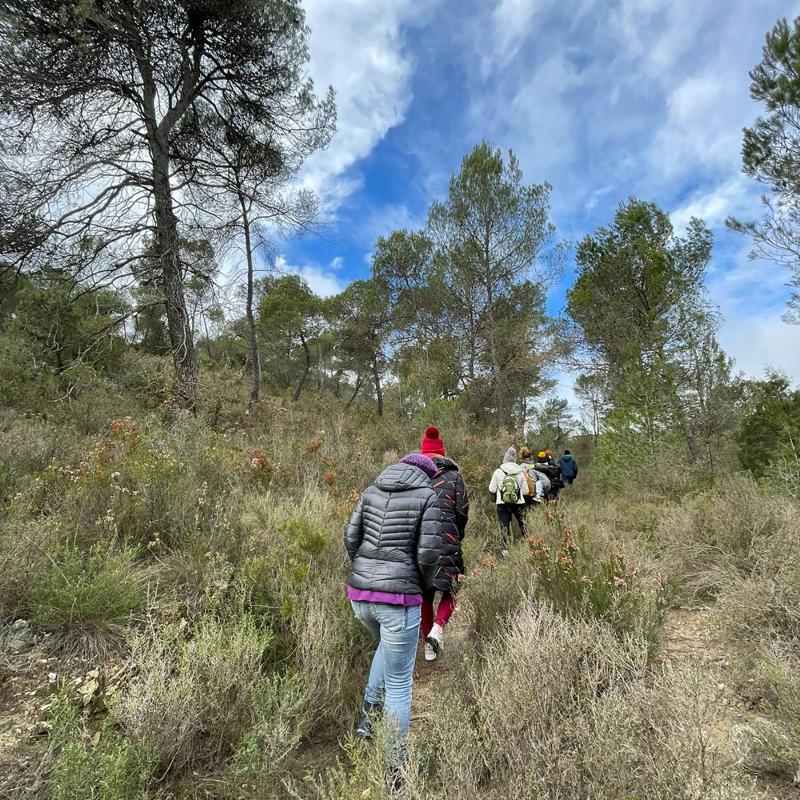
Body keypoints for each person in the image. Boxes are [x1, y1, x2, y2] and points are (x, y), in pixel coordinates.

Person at [344, 452, 445, 783]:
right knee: (401, 682)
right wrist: (421, 584)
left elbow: (351, 537)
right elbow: (429, 553)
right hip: (399, 598)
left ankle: (367, 723)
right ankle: (395, 767)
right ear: (426, 475)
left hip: (360, 596)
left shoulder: (372, 489)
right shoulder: (427, 496)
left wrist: (365, 571)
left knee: (387, 649)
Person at [418, 426, 469, 662]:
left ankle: (428, 646)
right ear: (443, 453)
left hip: (421, 543)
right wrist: (457, 534)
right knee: (451, 588)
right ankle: (438, 628)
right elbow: (462, 511)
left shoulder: (415, 475)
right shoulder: (454, 477)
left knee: (425, 594)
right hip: (449, 539)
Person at [488, 446, 529, 556]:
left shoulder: (498, 471)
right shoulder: (520, 472)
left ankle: (505, 552)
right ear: (515, 460)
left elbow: (491, 489)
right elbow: (525, 491)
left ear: (505, 459)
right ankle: (529, 546)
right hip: (518, 503)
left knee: (504, 526)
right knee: (523, 524)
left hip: (502, 503)